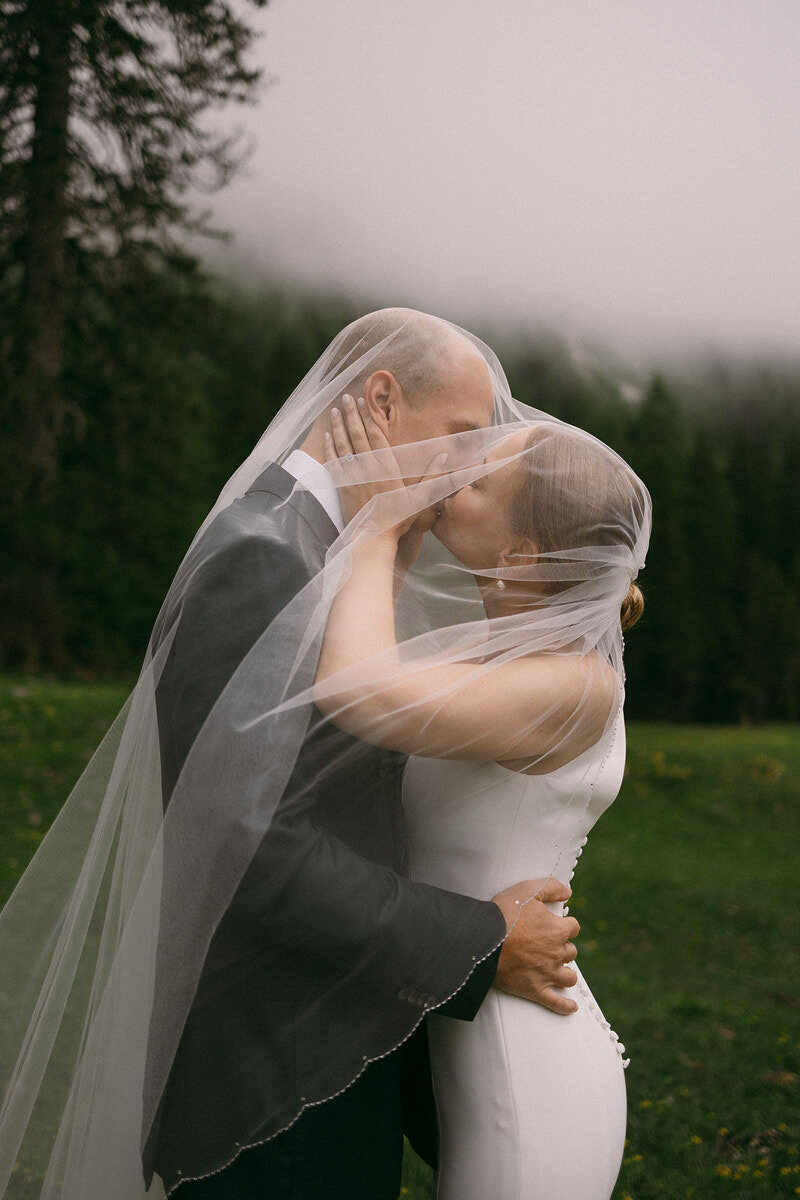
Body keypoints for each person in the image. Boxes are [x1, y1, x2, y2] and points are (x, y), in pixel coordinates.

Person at [0, 310, 583, 1200]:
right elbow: (248, 846)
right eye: (462, 437)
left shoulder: (330, 547)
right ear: (381, 400)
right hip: (268, 1068)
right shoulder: (265, 555)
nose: (468, 471)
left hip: (320, 1037)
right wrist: (481, 944)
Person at [313, 397, 651, 1199]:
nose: (448, 477)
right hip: (468, 1029)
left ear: (523, 556)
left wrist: (372, 524)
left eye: (476, 484)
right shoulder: (500, 654)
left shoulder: (575, 686)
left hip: (525, 1071)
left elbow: (359, 692)